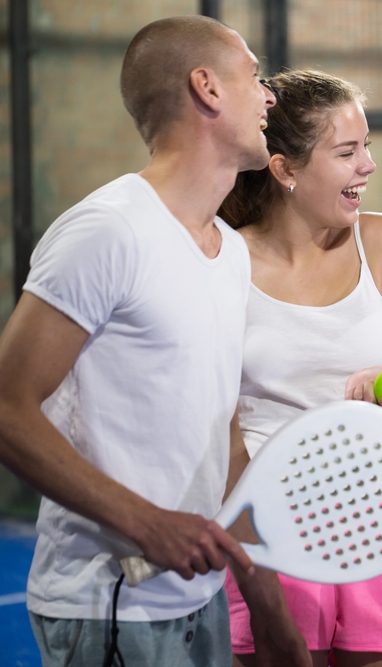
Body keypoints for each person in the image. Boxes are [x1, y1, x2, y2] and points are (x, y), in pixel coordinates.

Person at [0, 15, 276, 667]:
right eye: (255, 77)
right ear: (206, 87)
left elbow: (226, 432)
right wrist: (149, 524)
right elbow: (8, 407)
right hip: (109, 604)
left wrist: (264, 601)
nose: (269, 97)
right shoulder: (108, 230)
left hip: (199, 599)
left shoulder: (230, 252)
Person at [217, 69, 382, 667]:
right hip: (269, 533)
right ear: (285, 169)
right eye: (347, 152)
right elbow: (222, 429)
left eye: (366, 146)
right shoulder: (222, 261)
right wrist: (245, 548)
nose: (368, 165)